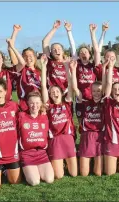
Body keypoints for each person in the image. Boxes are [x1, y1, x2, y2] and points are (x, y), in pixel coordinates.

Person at [41, 51, 78, 179]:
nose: (55, 93)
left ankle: (66, 162)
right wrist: (44, 66)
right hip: (55, 140)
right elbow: (43, 87)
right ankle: (60, 163)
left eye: (57, 91)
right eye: (52, 92)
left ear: (61, 93)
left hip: (67, 138)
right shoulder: (48, 106)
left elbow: (70, 84)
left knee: (74, 174)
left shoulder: (67, 102)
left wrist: (67, 67)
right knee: (59, 175)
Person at [17, 90, 55, 186]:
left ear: (41, 103)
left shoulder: (45, 117)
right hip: (27, 154)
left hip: (42, 154)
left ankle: (34, 170)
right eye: (32, 103)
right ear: (27, 103)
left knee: (49, 179)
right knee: (35, 182)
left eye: (37, 103)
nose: (35, 105)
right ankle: (24, 169)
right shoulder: (21, 116)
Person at [42, 20, 71, 93]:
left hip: (65, 93)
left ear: (63, 51)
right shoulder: (50, 61)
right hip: (52, 93)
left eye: (58, 49)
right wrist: (54, 29)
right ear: (51, 52)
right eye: (54, 49)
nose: (56, 51)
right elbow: (45, 42)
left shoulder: (67, 62)